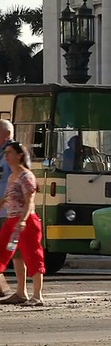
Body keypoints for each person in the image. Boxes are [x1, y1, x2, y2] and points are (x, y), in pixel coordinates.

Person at [0, 142, 45, 306]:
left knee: (32, 255)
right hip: (11, 220)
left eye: (10, 152)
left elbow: (29, 202)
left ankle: (37, 296)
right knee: (15, 256)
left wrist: (23, 221)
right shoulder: (12, 176)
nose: (7, 156)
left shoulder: (26, 176)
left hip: (26, 221)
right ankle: (21, 292)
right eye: (5, 153)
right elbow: (6, 200)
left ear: (19, 155)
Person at [0, 120, 28, 302]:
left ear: (6, 134)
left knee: (15, 252)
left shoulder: (15, 153)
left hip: (11, 214)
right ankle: (3, 288)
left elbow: (26, 184)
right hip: (4, 210)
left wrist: (23, 217)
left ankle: (22, 291)